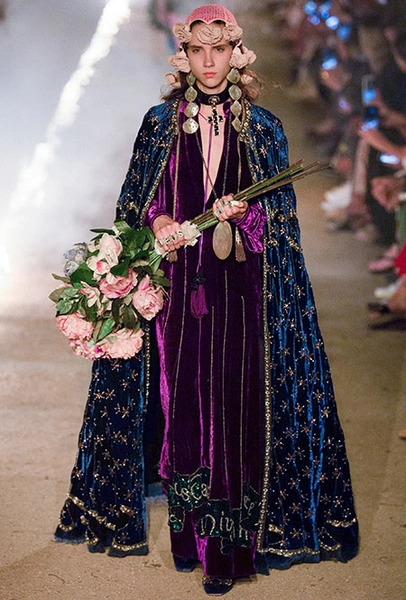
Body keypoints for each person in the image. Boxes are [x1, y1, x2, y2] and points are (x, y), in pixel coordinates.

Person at [54, 5, 358, 596]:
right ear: (185, 56)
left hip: (242, 298)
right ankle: (191, 539)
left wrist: (246, 216)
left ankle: (230, 545)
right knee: (186, 406)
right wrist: (160, 221)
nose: (210, 61)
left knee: (236, 407)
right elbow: (136, 204)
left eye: (220, 49)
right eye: (199, 50)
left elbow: (283, 226)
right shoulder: (159, 124)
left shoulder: (263, 128)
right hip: (177, 295)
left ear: (236, 53)